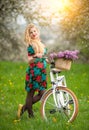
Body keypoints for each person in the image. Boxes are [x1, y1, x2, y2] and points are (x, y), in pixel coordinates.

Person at [17, 23, 48, 118]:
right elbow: (29, 60)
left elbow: (42, 57)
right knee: (31, 93)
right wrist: (35, 56)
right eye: (31, 32)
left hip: (42, 72)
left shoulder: (41, 44)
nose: (33, 33)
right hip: (34, 72)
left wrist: (46, 59)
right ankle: (31, 115)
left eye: (35, 31)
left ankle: (23, 108)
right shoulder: (31, 45)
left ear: (37, 32)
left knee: (42, 94)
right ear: (29, 35)